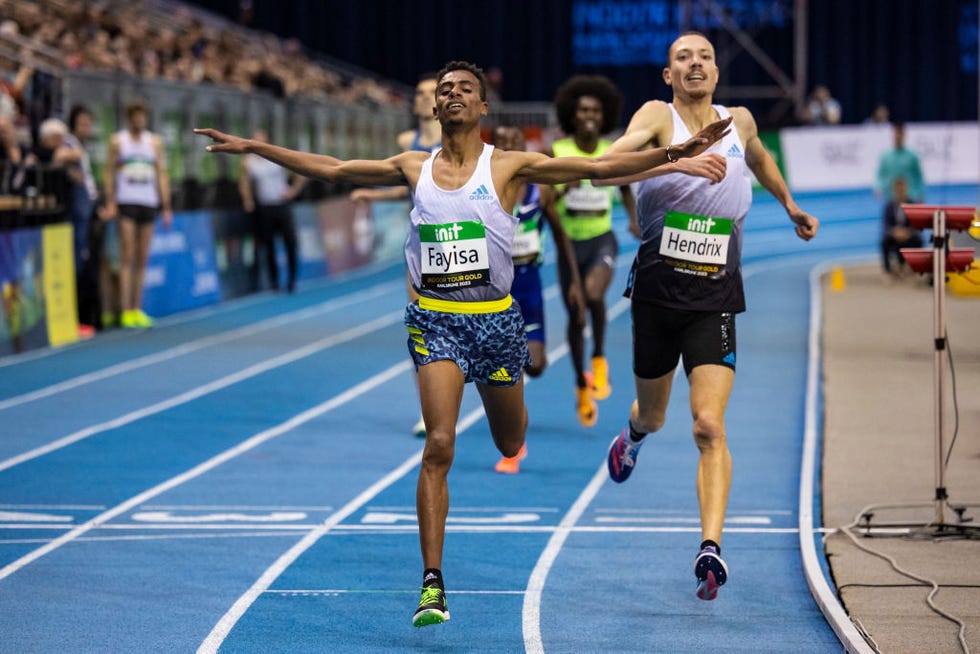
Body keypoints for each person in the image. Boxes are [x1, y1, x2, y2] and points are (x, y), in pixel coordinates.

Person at [196, 59, 730, 628]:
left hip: (498, 324)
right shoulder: (411, 166)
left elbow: (599, 169)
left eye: (464, 89)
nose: (452, 95)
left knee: (508, 441)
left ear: (481, 108)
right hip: (437, 323)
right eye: (444, 89)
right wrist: (254, 145)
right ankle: (432, 585)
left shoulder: (510, 165)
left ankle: (509, 432)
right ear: (434, 106)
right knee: (440, 445)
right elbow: (332, 168)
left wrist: (677, 152)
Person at [599, 32, 819, 602]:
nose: (694, 64)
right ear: (668, 75)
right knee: (654, 414)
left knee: (708, 426)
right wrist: (679, 157)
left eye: (704, 57)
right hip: (655, 295)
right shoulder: (657, 116)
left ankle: (710, 548)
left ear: (717, 72)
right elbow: (606, 170)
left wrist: (789, 203)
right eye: (682, 58)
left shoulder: (738, 120)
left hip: (715, 297)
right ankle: (635, 435)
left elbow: (762, 158)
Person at [490, 124, 584, 474]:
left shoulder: (540, 193)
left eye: (517, 141)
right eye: (504, 141)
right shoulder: (485, 189)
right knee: (508, 367)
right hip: (497, 289)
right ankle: (514, 448)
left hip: (529, 284)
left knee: (537, 365)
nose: (511, 146)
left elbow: (560, 237)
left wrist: (572, 282)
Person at [351, 73, 441, 439]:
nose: (419, 99)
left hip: (457, 244)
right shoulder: (408, 142)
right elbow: (409, 191)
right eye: (416, 93)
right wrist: (373, 195)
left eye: (427, 93)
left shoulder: (457, 142)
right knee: (421, 329)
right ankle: (427, 409)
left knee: (465, 327)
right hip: (420, 248)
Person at [550, 75, 631, 427]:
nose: (589, 115)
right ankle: (580, 384)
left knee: (594, 294)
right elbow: (546, 202)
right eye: (583, 109)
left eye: (596, 110)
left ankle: (599, 357)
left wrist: (633, 219)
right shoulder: (558, 152)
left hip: (601, 239)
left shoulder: (611, 151)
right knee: (575, 314)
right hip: (570, 245)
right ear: (572, 113)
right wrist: (563, 191)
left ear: (604, 115)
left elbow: (626, 185)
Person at [103, 100, 172, 328]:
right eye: (136, 116)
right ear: (130, 118)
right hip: (126, 201)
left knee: (142, 257)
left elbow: (161, 173)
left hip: (148, 202)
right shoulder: (118, 141)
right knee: (127, 255)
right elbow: (108, 171)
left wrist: (166, 206)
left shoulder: (154, 142)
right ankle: (124, 310)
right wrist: (111, 201)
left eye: (143, 116)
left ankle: (136, 308)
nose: (139, 120)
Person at [239, 128, 307, 293]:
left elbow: (302, 171)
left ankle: (292, 279)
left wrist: (293, 191)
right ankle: (274, 281)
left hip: (282, 204)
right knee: (268, 245)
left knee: (290, 242)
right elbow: (244, 182)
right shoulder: (249, 162)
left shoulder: (277, 156)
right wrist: (247, 200)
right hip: (265, 207)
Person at [64, 105, 100, 331]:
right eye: (82, 123)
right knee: (76, 265)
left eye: (89, 123)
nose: (86, 128)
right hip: (76, 213)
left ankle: (84, 319)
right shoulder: (68, 144)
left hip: (88, 210)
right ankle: (73, 320)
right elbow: (60, 160)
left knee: (85, 265)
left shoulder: (81, 146)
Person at [880, 177, 923, 274]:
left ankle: (916, 268)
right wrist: (894, 232)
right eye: (897, 188)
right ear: (894, 190)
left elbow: (918, 224)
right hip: (894, 235)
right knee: (884, 241)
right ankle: (888, 271)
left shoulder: (912, 204)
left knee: (918, 240)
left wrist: (908, 232)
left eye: (902, 188)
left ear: (906, 189)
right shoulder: (889, 205)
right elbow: (885, 225)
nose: (900, 191)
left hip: (909, 235)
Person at [875, 122, 924, 204]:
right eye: (896, 134)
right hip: (890, 198)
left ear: (904, 135)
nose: (898, 136)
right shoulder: (886, 156)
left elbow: (919, 177)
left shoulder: (912, 156)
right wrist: (878, 187)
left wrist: (921, 194)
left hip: (910, 197)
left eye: (900, 134)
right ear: (892, 135)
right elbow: (880, 174)